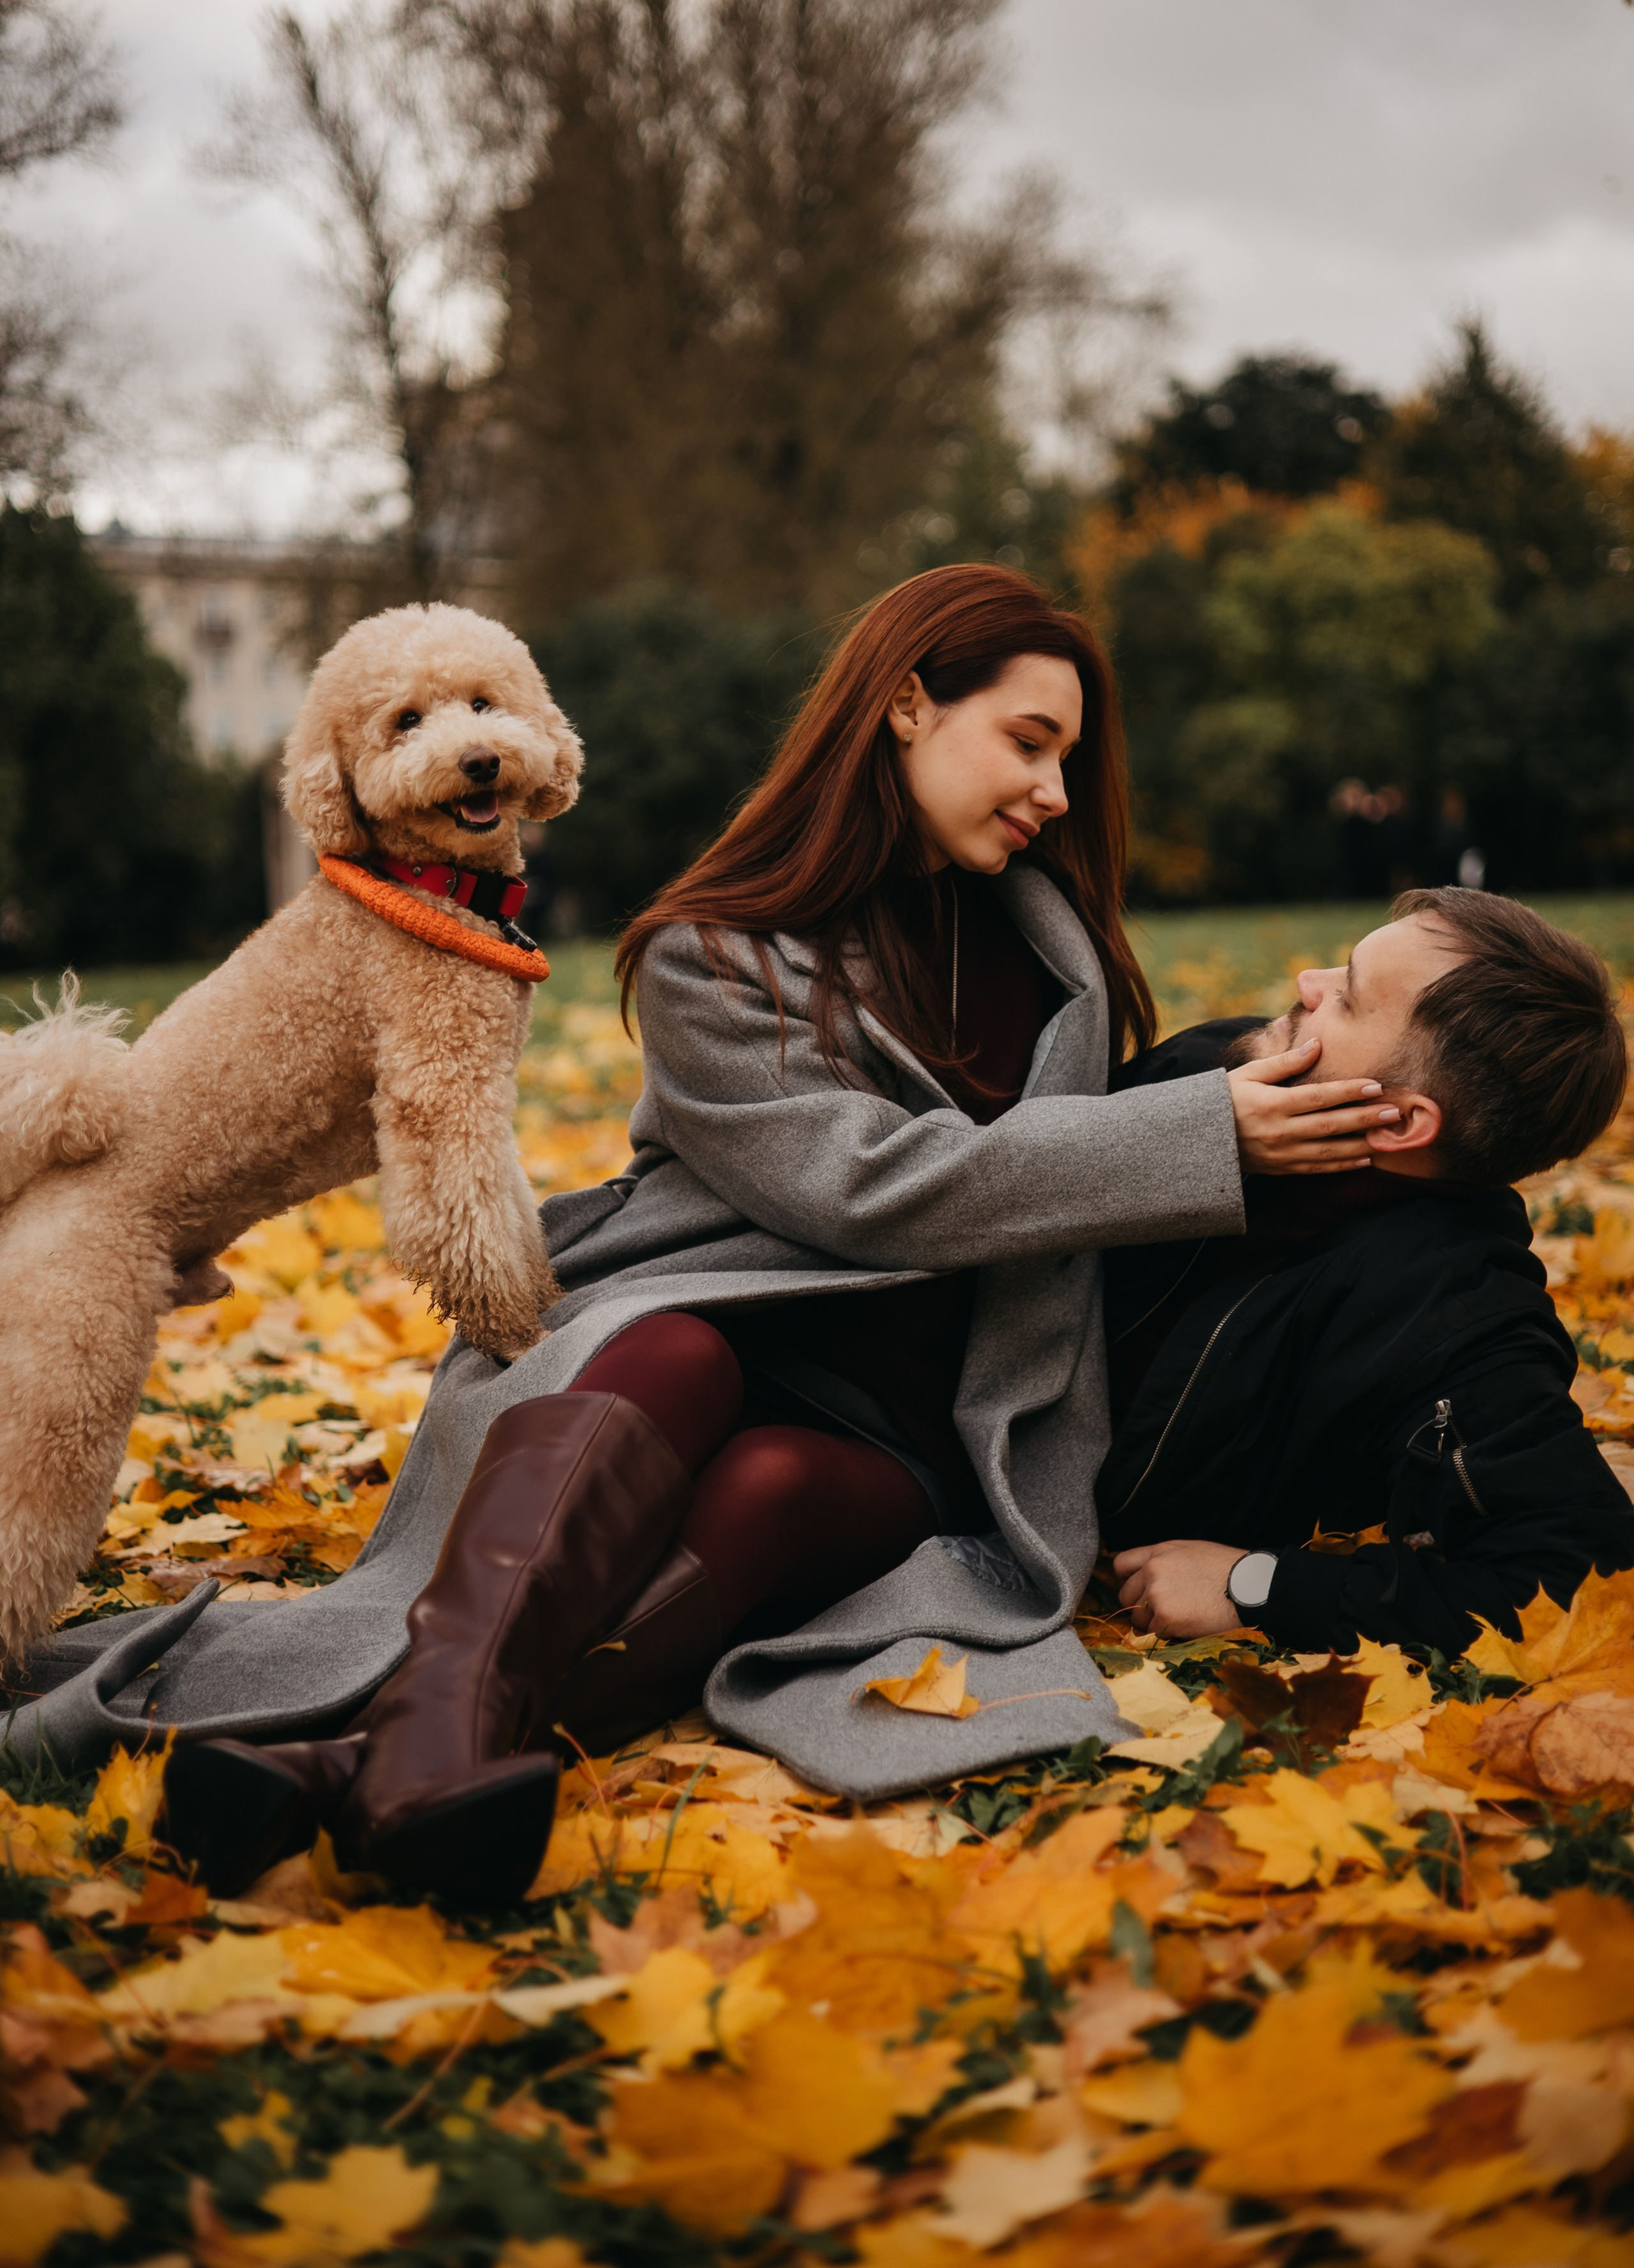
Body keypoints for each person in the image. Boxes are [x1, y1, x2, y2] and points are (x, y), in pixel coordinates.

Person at [147, 563, 1393, 1902]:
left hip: (925, 1422)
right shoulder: (709, 955)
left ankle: (356, 1764)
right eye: (1028, 744)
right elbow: (871, 1190)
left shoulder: (1059, 956)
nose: (1054, 792)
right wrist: (1201, 1138)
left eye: (1067, 760)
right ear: (907, 707)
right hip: (711, 1324)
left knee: (773, 1492)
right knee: (676, 1358)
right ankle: (410, 1771)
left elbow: (1106, 1151)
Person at [1104, 887, 1634, 1653]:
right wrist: (1183, 1139)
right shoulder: (1219, 1066)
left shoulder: (1452, 1312)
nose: (1305, 983)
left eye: (1345, 998)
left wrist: (1256, 1584)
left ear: (1400, 1119)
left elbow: (1573, 1574)